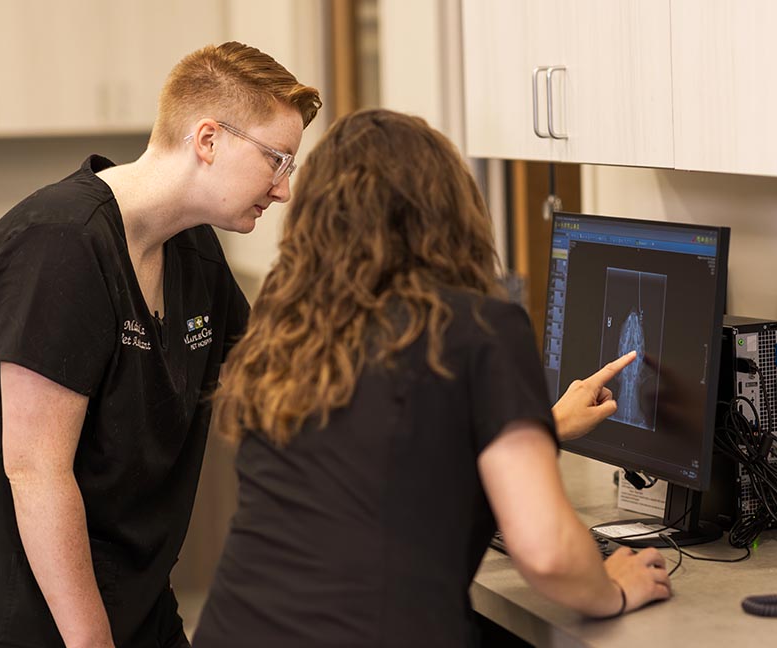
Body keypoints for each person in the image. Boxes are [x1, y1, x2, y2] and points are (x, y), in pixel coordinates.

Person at [191, 109, 671, 648]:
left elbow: (376, 450)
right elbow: (549, 554)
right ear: (447, 209)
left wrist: (540, 424)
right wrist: (617, 590)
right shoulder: (478, 327)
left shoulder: (290, 324)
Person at [0, 42, 321, 648]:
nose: (283, 190)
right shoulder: (61, 244)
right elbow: (35, 471)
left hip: (137, 596)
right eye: (277, 160)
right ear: (208, 139)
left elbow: (281, 378)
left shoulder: (194, 252)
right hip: (35, 609)